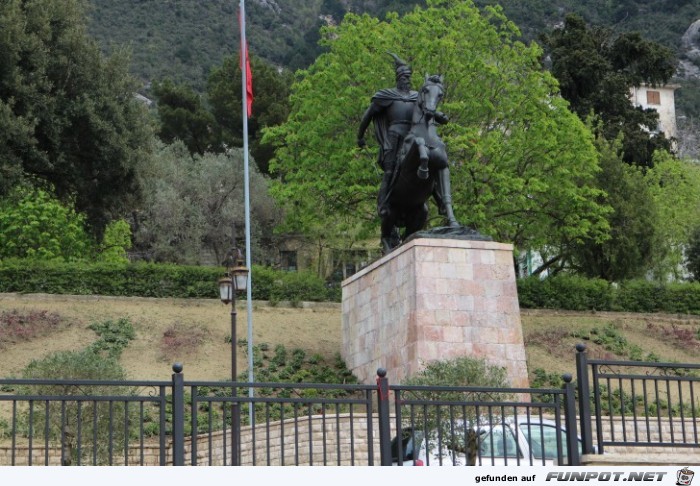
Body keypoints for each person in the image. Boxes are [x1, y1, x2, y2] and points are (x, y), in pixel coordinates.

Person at [357, 52, 458, 226]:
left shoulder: (415, 95)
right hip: (394, 139)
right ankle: (384, 203)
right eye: (403, 76)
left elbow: (427, 108)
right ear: (397, 78)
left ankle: (441, 201)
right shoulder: (386, 95)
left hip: (415, 133)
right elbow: (368, 115)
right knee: (389, 173)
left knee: (436, 164)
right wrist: (360, 136)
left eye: (409, 77)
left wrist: (439, 115)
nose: (407, 80)